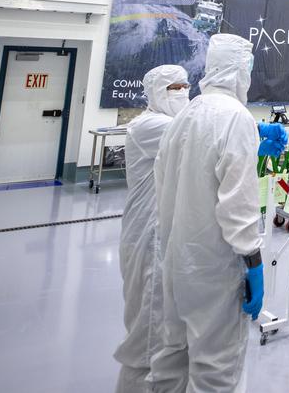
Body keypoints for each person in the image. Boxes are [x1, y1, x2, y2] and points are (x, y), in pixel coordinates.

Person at [148, 34, 289, 393]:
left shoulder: (184, 115)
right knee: (215, 371)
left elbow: (186, 176)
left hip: (177, 263)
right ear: (240, 71)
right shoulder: (236, 118)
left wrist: (252, 146)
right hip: (215, 269)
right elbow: (237, 207)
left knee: (172, 360)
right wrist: (253, 260)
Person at [114, 65, 190, 393]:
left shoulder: (171, 123)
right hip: (148, 237)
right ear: (159, 91)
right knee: (147, 335)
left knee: (164, 328)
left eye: (187, 86)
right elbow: (200, 135)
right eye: (176, 88)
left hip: (164, 234)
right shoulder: (150, 126)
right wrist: (254, 132)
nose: (184, 92)